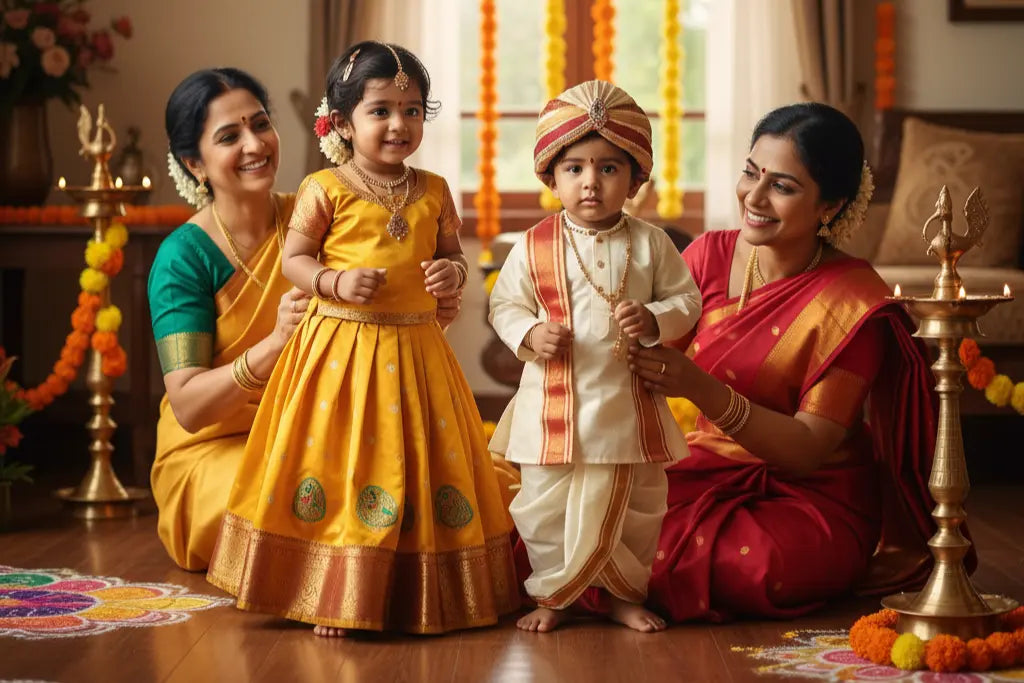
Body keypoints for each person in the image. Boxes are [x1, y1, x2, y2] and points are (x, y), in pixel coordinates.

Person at [205, 41, 519, 637]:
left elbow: (453, 254)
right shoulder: (326, 187)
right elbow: (294, 259)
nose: (398, 124)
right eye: (380, 111)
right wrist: (335, 279)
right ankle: (335, 590)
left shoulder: (433, 189)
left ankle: (412, 587)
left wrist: (450, 272)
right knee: (344, 461)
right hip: (341, 356)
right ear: (343, 122)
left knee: (419, 463)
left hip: (418, 351)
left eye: (412, 110)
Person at [626, 102, 953, 622]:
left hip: (812, 498)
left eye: (782, 186)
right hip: (705, 467)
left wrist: (697, 385)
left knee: (753, 565)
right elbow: (644, 355)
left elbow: (807, 448)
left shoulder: (854, 301)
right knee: (581, 523)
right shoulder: (707, 256)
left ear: (831, 205)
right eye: (751, 173)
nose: (754, 197)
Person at [149, 67, 461, 572]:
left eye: (261, 124)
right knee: (294, 501)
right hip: (218, 448)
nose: (255, 144)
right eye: (230, 136)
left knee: (441, 484)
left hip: (328, 430)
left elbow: (373, 329)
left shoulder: (321, 211)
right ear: (194, 163)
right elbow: (187, 406)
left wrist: (434, 311)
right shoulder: (183, 257)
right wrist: (274, 344)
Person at [489, 80, 702, 633]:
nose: (591, 182)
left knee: (637, 505)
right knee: (544, 504)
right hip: (551, 407)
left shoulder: (653, 242)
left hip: (627, 405)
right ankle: (552, 597)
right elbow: (504, 304)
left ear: (635, 178)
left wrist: (656, 319)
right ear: (551, 177)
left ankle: (625, 596)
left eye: (609, 168)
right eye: (575, 168)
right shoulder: (532, 244)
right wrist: (530, 333)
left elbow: (688, 299)